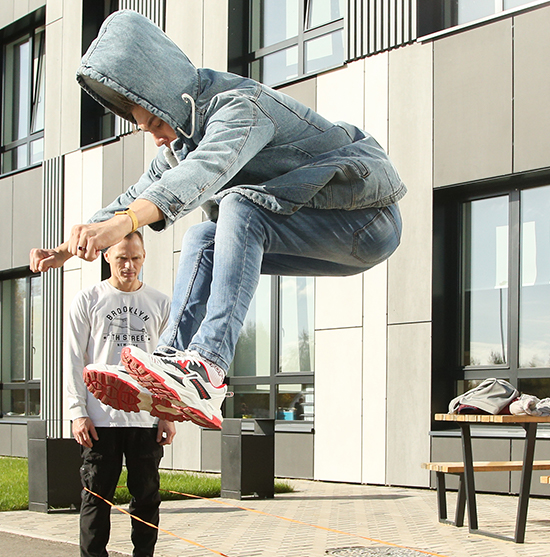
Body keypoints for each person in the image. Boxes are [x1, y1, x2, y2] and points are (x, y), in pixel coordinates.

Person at [30, 11, 404, 429]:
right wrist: (68, 247)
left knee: (239, 207)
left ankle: (208, 367)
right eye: (145, 129)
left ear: (175, 99)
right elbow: (135, 196)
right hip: (319, 227)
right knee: (203, 237)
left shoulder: (240, 108)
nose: (156, 137)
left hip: (365, 219)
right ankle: (168, 364)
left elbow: (202, 172)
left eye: (156, 122)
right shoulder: (180, 146)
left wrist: (122, 227)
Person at [66, 231, 173, 557]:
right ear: (107, 257)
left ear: (144, 257)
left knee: (147, 496)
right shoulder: (89, 300)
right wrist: (78, 412)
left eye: (136, 258)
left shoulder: (160, 303)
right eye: (122, 257)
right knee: (97, 496)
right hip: (100, 420)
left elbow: (167, 365)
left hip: (145, 417)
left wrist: (166, 413)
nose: (129, 265)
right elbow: (73, 360)